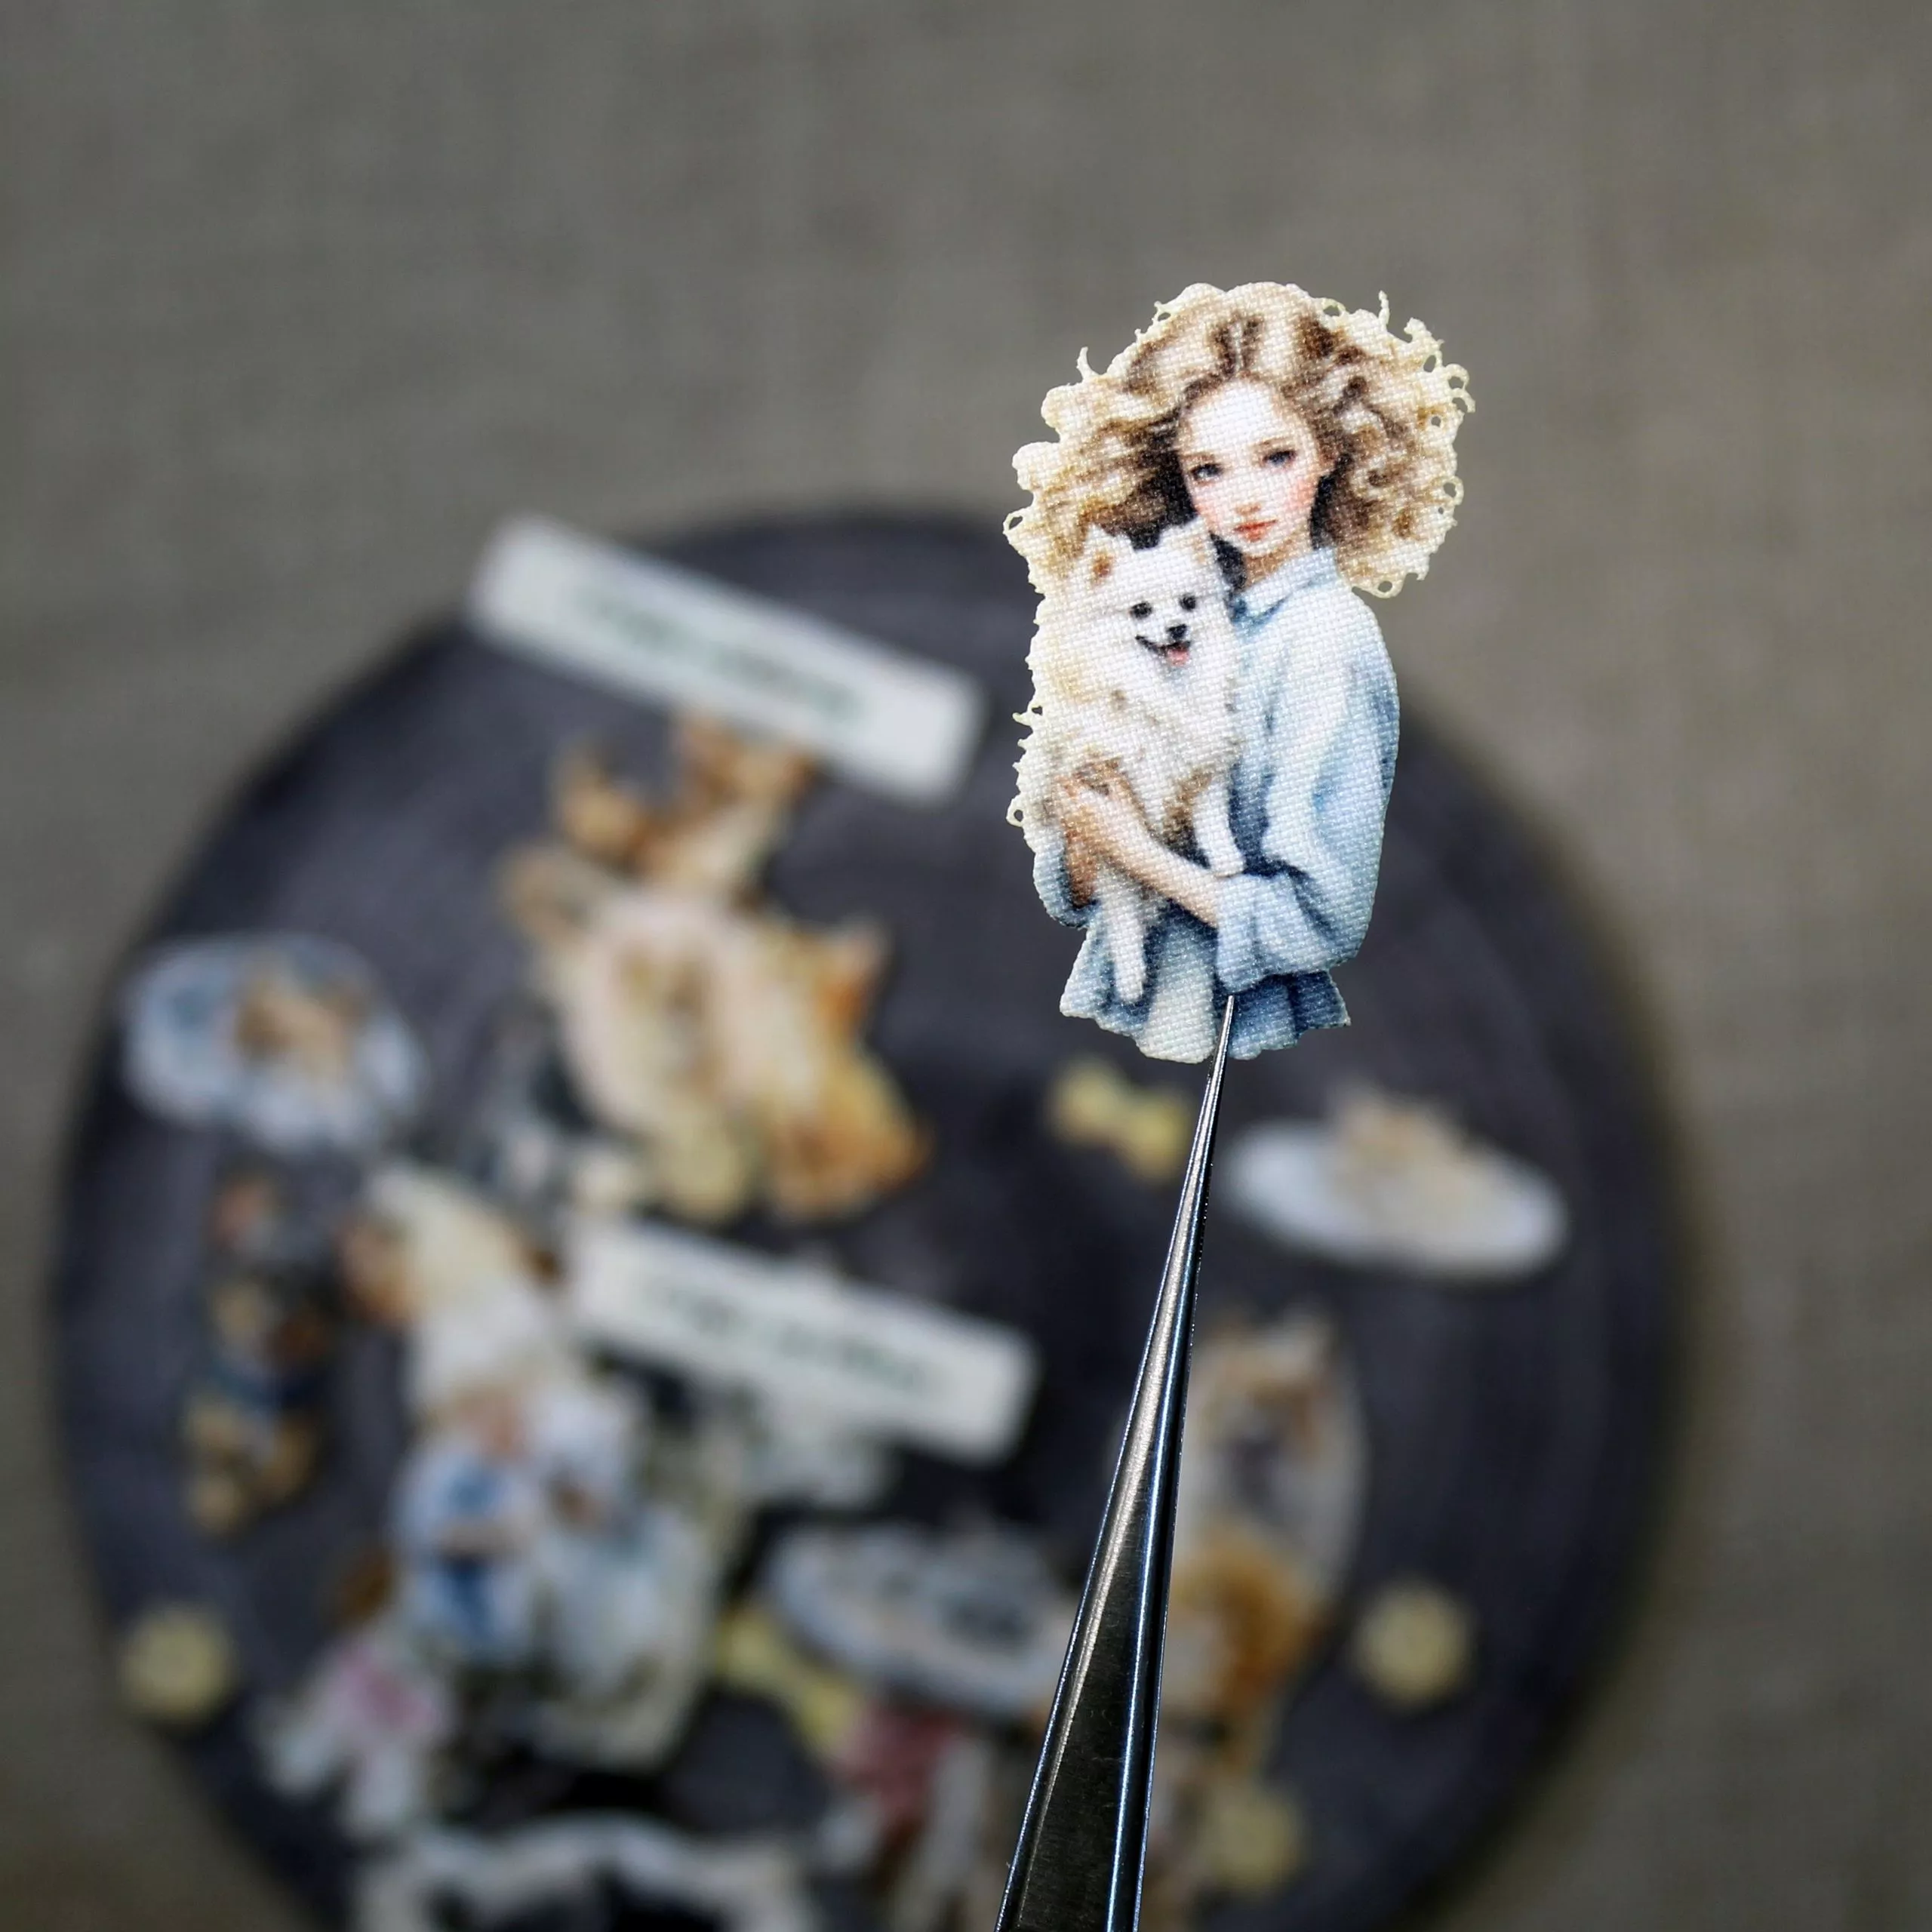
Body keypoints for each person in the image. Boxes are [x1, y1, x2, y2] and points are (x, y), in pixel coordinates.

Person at [1008, 283, 1471, 1060]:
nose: (1245, 499)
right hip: (1118, 1010)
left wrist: (1138, 852)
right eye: (1208, 471)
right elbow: (1072, 886)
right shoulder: (1184, 604)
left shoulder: (1324, 640)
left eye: (1275, 457)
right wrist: (1091, 832)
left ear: (1331, 450)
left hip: (1236, 1035)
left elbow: (1320, 918)